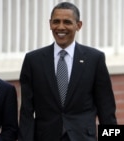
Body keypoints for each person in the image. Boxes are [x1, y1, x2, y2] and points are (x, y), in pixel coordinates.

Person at [18, 2, 117, 141]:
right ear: (50, 24)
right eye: (56, 22)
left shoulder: (95, 59)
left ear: (78, 25)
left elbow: (107, 110)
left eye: (67, 22)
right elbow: (26, 112)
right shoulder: (33, 60)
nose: (60, 27)